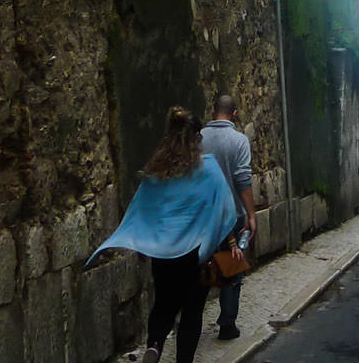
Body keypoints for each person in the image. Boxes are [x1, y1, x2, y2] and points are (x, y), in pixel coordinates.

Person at [89, 107, 239, 363]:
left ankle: (155, 345)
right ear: (196, 138)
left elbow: (143, 209)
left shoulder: (157, 172)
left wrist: (142, 244)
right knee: (191, 312)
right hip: (196, 254)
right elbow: (225, 209)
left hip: (163, 254)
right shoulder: (209, 170)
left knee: (164, 304)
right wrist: (227, 242)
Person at [201, 93, 257, 341]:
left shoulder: (198, 138)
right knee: (231, 266)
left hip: (201, 215)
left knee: (201, 266)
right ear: (234, 113)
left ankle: (192, 316)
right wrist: (251, 214)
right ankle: (227, 324)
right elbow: (242, 180)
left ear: (214, 112)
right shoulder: (239, 140)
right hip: (231, 215)